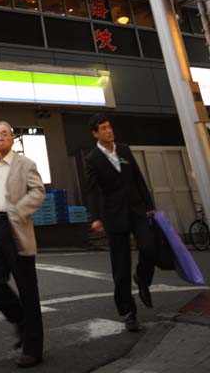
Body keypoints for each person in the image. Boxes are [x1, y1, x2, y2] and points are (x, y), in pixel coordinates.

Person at [0, 121, 46, 368]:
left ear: (12, 139)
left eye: (4, 134)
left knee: (28, 291)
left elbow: (38, 191)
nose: (0, 137)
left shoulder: (25, 164)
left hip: (17, 229)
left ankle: (33, 349)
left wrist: (18, 211)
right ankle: (19, 319)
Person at [85, 113, 156, 332]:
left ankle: (142, 278)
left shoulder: (124, 149)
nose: (109, 131)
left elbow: (138, 177)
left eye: (109, 127)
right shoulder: (92, 158)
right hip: (113, 215)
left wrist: (149, 204)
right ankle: (128, 312)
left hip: (136, 209)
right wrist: (95, 217)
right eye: (103, 128)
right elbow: (92, 190)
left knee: (149, 246)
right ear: (95, 133)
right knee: (120, 264)